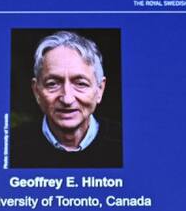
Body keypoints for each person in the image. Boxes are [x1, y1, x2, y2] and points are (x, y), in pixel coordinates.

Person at [9, 30, 122, 168]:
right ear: (36, 91)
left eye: (81, 84)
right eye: (53, 84)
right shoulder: (10, 147)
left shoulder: (126, 144)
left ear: (99, 89)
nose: (67, 99)